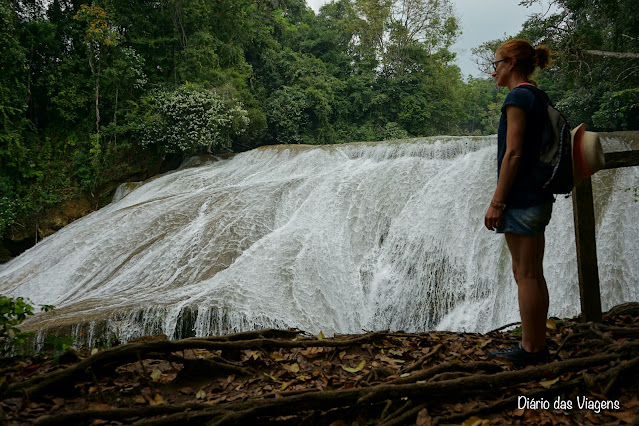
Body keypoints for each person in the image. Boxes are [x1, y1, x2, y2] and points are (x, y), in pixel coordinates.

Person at [484, 39, 554, 367]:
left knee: (524, 274)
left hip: (522, 198)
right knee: (532, 274)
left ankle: (531, 351)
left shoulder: (517, 97)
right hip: (538, 194)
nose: (493, 69)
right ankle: (537, 344)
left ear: (511, 63)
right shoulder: (536, 94)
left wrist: (497, 202)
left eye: (496, 63)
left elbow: (513, 153)